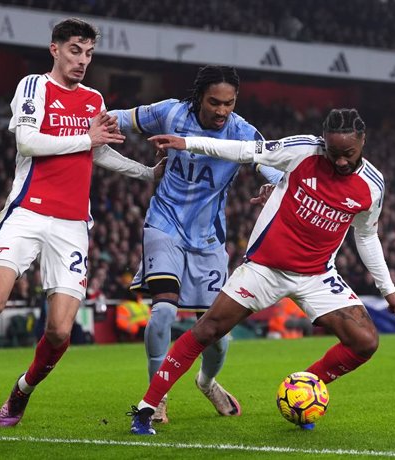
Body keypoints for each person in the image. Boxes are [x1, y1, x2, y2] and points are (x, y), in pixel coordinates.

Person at [0, 18, 164, 433]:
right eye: (74, 50)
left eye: (88, 53)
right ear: (54, 49)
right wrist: (87, 140)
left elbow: (97, 153)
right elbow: (28, 142)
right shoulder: (34, 86)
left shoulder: (93, 99)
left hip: (72, 224)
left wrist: (145, 173)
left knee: (59, 330)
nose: (82, 60)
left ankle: (22, 389)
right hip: (27, 211)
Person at [127, 108, 395, 435]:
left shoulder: (372, 186)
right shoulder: (303, 151)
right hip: (264, 269)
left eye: (349, 153)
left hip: (317, 275)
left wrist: (387, 287)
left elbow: (366, 234)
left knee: (365, 341)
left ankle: (303, 389)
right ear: (324, 143)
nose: (341, 161)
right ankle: (146, 409)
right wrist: (188, 143)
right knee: (207, 330)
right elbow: (246, 150)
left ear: (363, 141)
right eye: (334, 153)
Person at [109, 65, 282, 423]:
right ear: (198, 98)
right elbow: (118, 119)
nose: (221, 111)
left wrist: (274, 188)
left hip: (208, 240)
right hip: (164, 225)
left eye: (229, 103)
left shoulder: (244, 133)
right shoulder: (170, 112)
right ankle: (157, 397)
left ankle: (208, 381)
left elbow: (278, 169)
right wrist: (82, 121)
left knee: (216, 335)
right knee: (163, 313)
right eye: (214, 102)